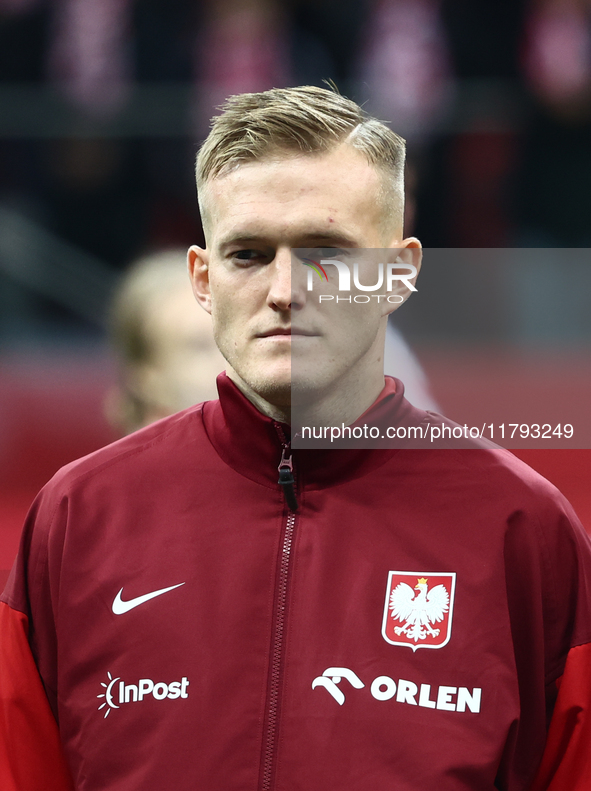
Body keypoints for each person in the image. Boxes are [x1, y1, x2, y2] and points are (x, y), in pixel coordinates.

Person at [1, 86, 590, 790]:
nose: (285, 289)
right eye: (248, 254)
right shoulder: (78, 517)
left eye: (325, 251)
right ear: (202, 278)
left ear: (399, 273)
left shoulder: (522, 529)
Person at [105, 249, 225, 435]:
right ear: (146, 380)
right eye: (201, 347)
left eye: (228, 336)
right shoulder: (143, 462)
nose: (228, 359)